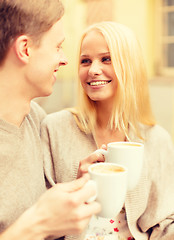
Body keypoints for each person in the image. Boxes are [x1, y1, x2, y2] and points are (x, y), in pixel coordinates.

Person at [41, 21, 174, 240]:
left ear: (129, 66)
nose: (93, 70)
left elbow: (164, 223)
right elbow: (41, 219)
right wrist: (78, 187)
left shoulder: (156, 139)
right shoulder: (53, 128)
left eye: (106, 59)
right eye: (85, 61)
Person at [0, 0, 103, 239]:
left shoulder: (36, 119)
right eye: (58, 46)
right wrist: (39, 224)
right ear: (25, 49)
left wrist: (73, 190)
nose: (65, 59)